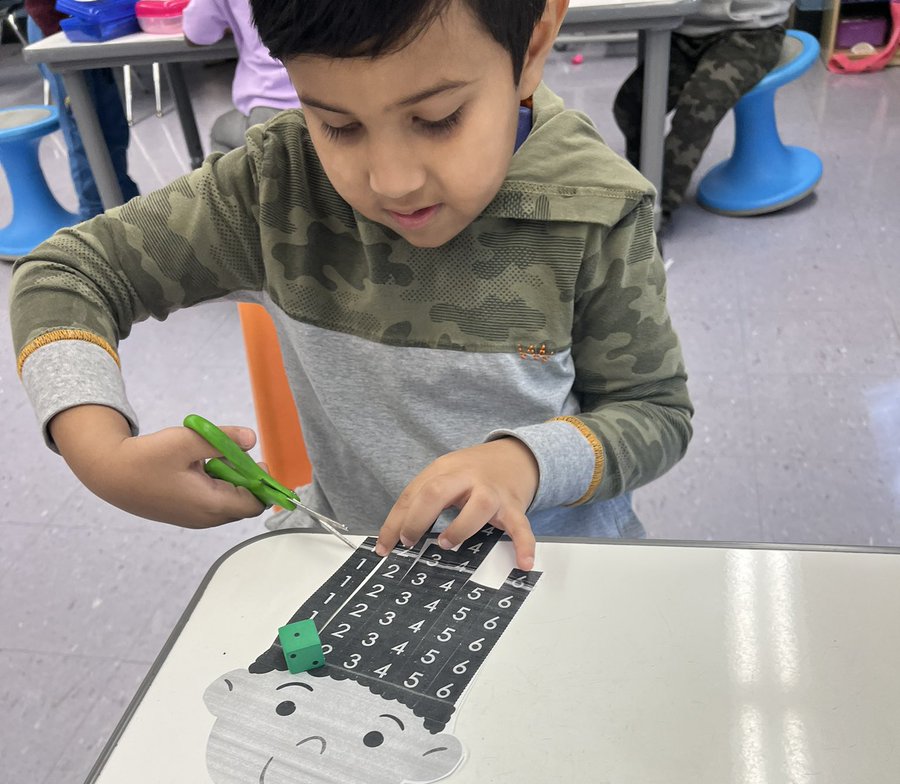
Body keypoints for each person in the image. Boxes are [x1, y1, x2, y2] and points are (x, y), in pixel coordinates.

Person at [11, 0, 692, 575]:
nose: (391, 180)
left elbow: (654, 414)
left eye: (438, 118)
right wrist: (101, 454)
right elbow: (67, 273)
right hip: (369, 567)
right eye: (336, 124)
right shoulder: (273, 188)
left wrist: (526, 460)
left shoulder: (592, 207)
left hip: (563, 573)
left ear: (536, 40)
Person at [613, 0, 790, 226]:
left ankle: (654, 213)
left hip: (751, 30)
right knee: (630, 106)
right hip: (685, 27)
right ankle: (646, 182)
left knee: (696, 114)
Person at [24, 0, 139, 220]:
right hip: (57, 27)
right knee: (86, 139)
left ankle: (128, 212)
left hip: (93, 21)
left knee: (113, 131)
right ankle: (96, 223)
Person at [182, 0, 297, 153]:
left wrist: (237, 22)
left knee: (221, 133)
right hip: (328, 95)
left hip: (271, 102)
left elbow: (195, 34)